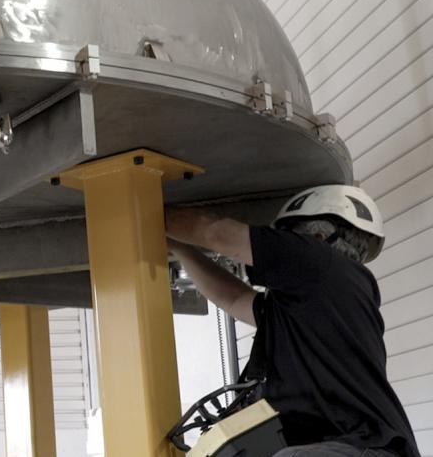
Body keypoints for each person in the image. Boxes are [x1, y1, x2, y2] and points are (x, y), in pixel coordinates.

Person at [165, 185, 419, 457]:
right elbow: (234, 299)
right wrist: (179, 247)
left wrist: (145, 212)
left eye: (287, 237)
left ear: (319, 236)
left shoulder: (319, 261)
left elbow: (216, 233)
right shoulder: (314, 307)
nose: (281, 244)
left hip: (364, 448)